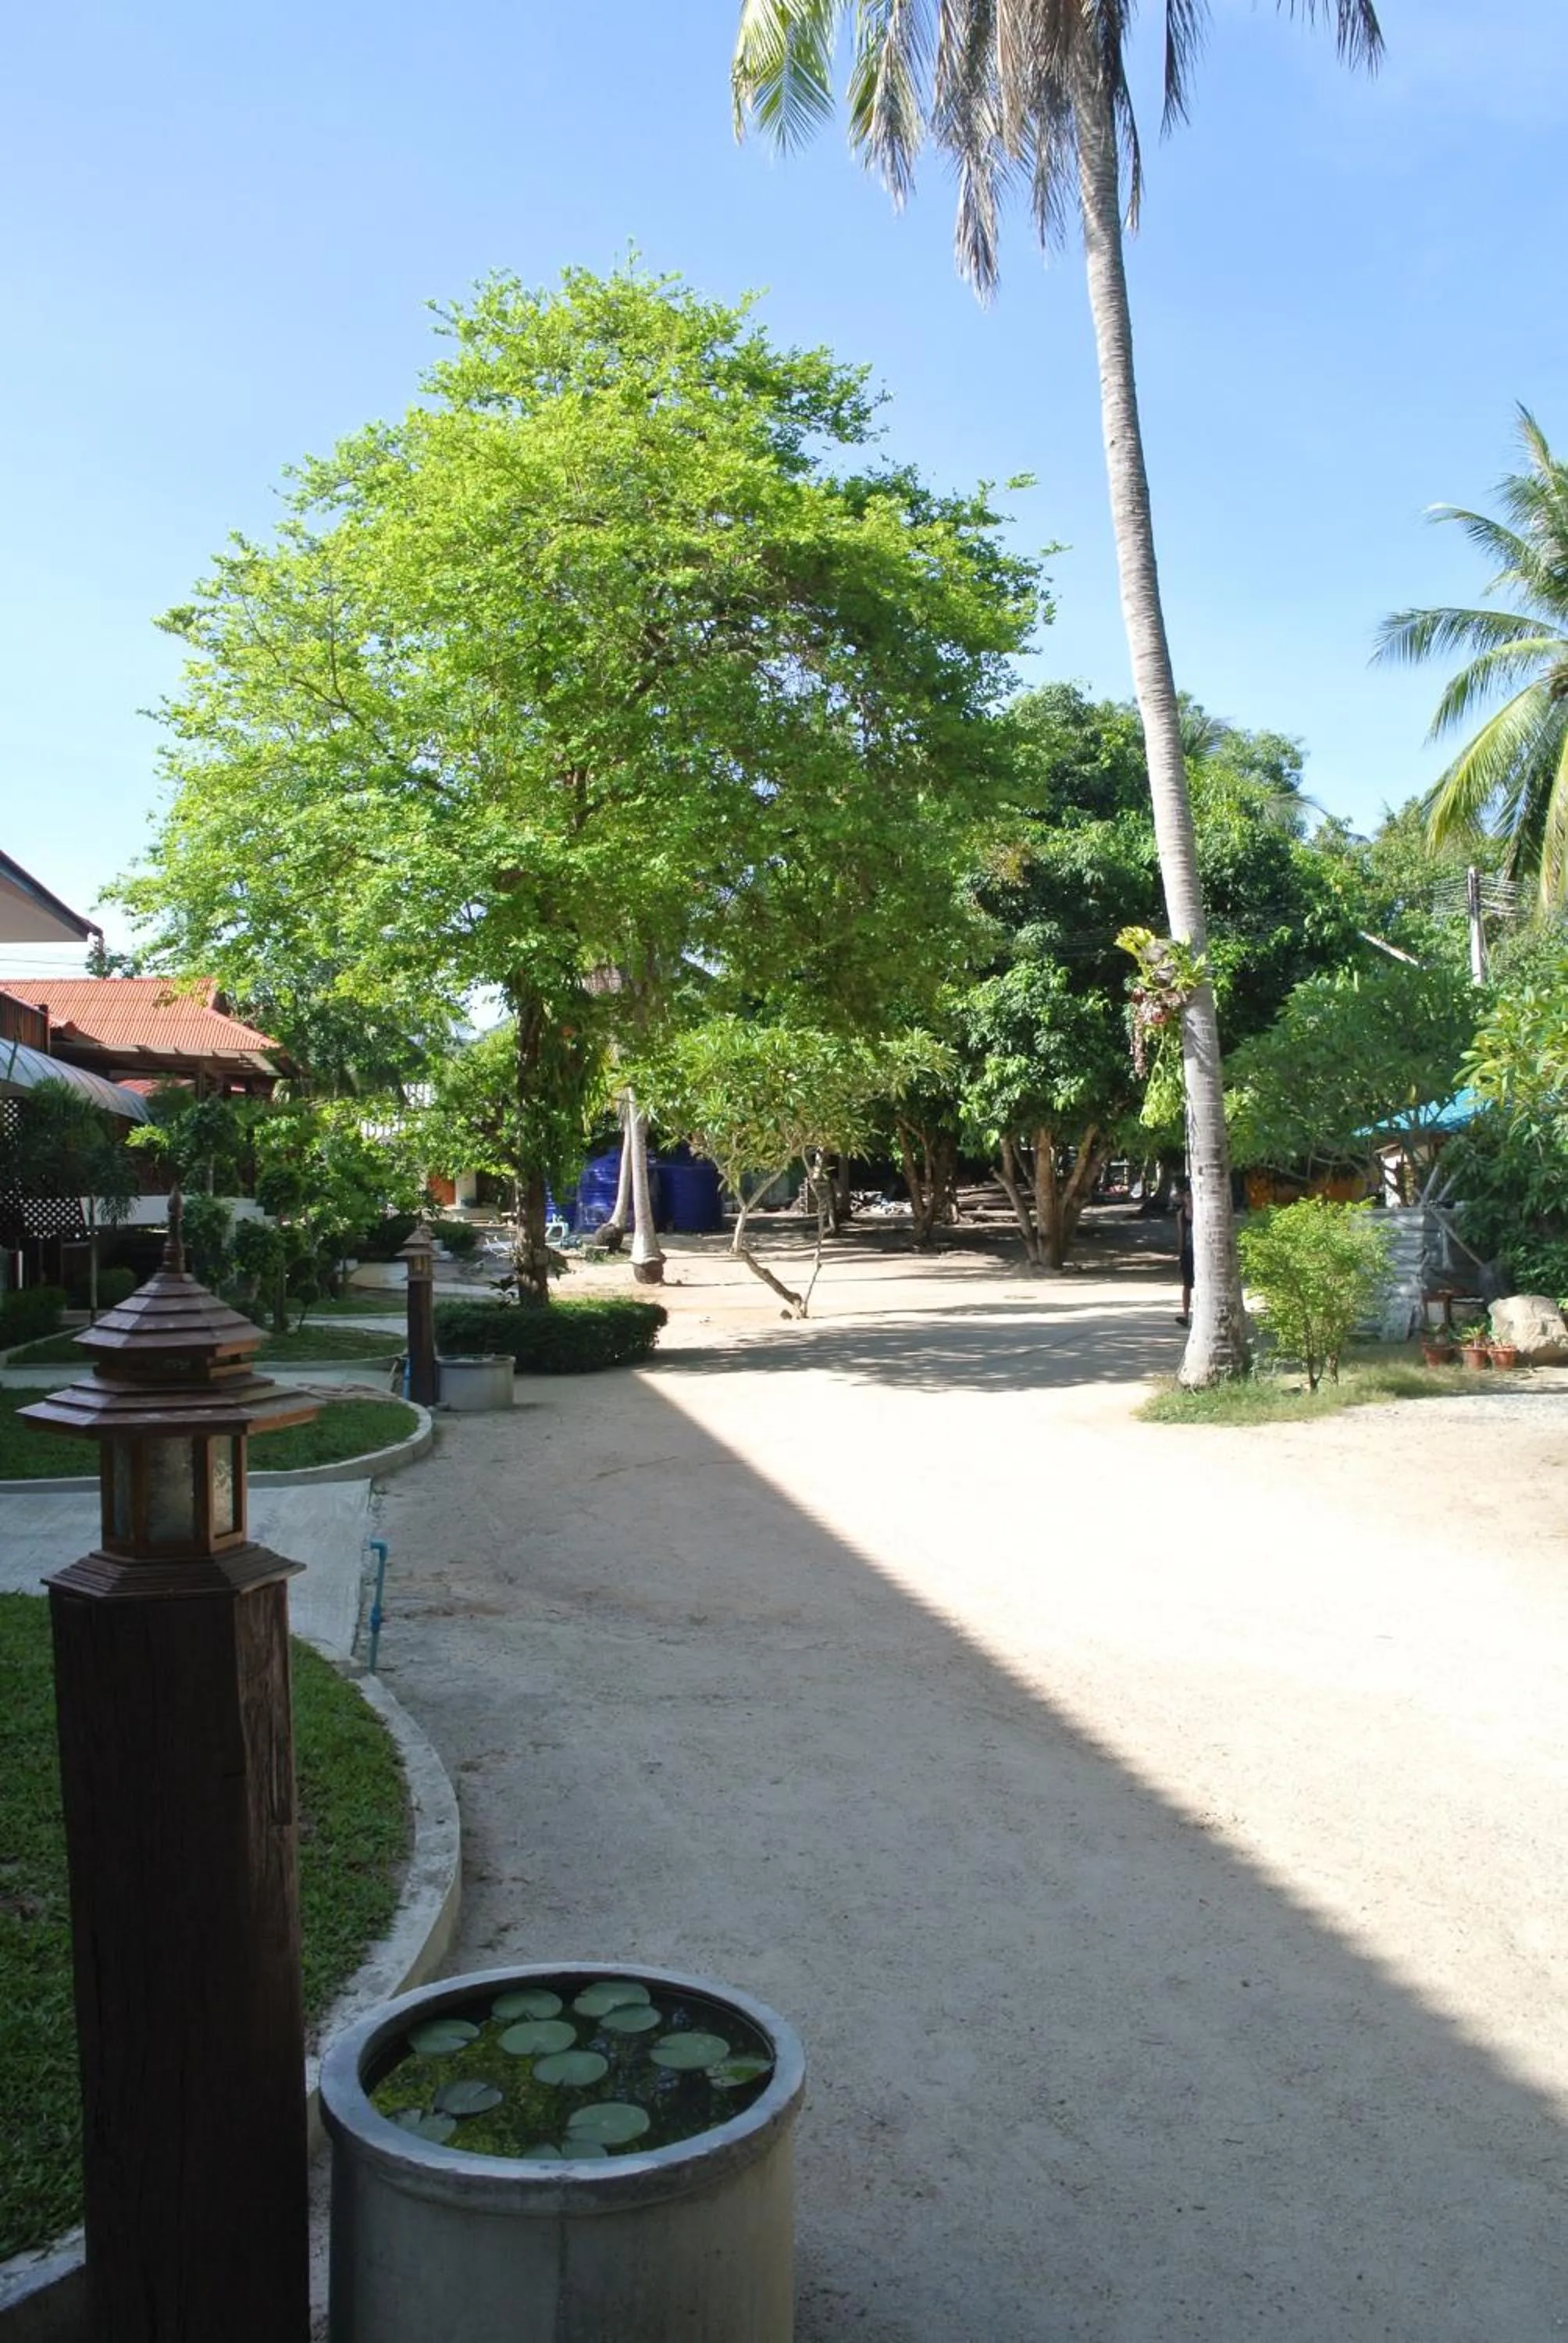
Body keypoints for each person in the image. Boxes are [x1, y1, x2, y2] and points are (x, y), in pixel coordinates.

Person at [1174, 1175, 1194, 1327]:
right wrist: (1180, 1255)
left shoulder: (1203, 1212)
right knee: (1187, 1284)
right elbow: (1181, 1235)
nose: (1189, 1198)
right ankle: (1186, 1315)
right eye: (1186, 1196)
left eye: (1191, 1195)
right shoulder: (1181, 1214)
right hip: (1188, 1251)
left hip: (1200, 1252)